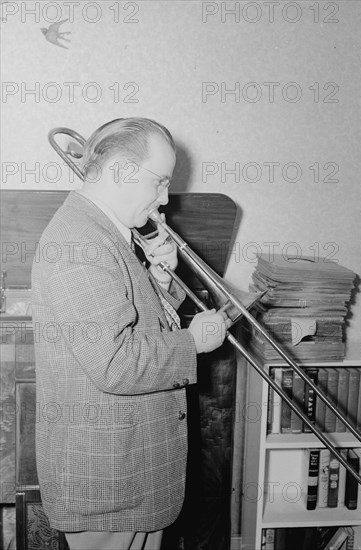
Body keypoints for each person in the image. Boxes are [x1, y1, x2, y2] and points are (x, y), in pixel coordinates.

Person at [31, 118, 230, 550]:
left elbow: (127, 321)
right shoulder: (80, 243)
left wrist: (159, 282)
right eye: (159, 182)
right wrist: (193, 342)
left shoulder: (104, 233)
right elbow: (115, 362)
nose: (164, 199)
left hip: (128, 474)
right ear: (122, 171)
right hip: (109, 482)